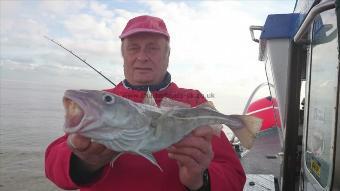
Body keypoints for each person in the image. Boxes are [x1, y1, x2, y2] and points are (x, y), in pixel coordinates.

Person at [45, 15, 246, 191]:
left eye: (153, 48)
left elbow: (233, 178)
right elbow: (54, 167)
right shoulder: (101, 102)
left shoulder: (194, 102)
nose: (142, 57)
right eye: (133, 48)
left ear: (167, 56)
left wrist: (201, 179)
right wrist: (84, 163)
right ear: (123, 56)